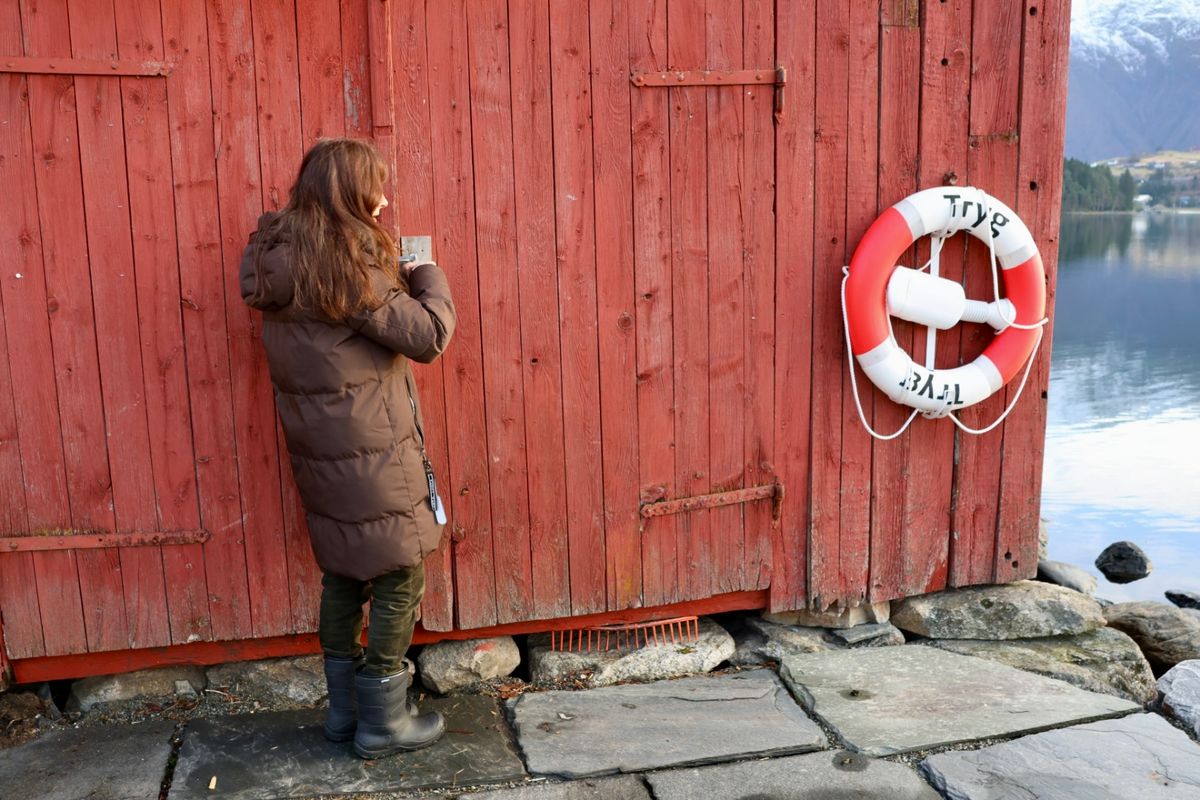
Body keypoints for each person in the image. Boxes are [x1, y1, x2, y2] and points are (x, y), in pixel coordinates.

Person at [239, 138, 455, 759]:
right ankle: (384, 721)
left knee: (342, 569)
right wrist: (424, 271)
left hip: (319, 448)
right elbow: (429, 335)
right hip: (371, 448)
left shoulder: (282, 258)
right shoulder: (346, 264)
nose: (383, 202)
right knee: (400, 570)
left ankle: (343, 714)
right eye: (374, 189)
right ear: (347, 193)